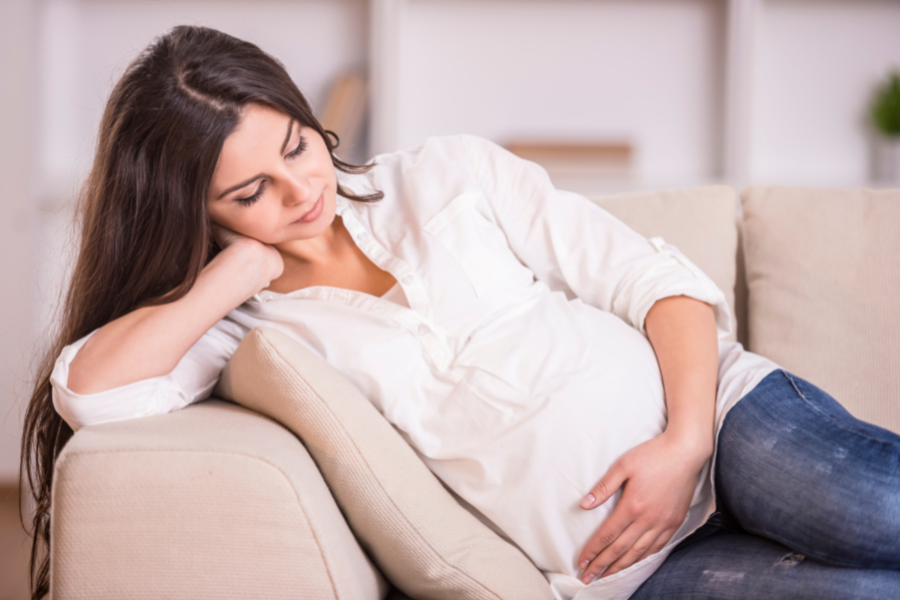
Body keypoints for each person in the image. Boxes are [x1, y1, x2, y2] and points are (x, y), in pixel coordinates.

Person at [20, 25, 900, 600]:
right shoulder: (241, 327)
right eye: (253, 192)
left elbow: (654, 281)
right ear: (198, 213)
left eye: (296, 144)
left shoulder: (441, 174)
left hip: (725, 420)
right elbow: (89, 393)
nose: (302, 191)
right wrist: (227, 274)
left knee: (883, 517)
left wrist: (684, 444)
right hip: (625, 571)